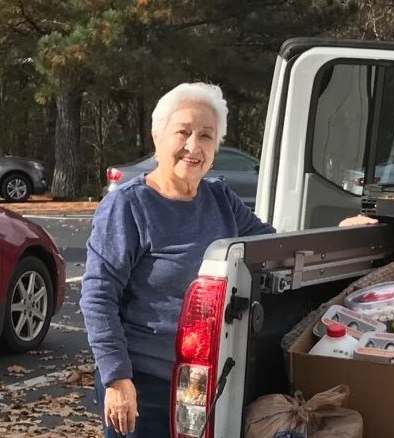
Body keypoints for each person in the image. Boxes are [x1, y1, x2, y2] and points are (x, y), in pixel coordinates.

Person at [80, 82, 377, 438]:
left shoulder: (219, 196)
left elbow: (274, 245)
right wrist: (116, 377)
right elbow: (98, 295)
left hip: (203, 383)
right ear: (158, 137)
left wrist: (339, 232)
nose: (194, 146)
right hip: (145, 383)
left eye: (206, 136)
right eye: (183, 132)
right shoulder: (128, 205)